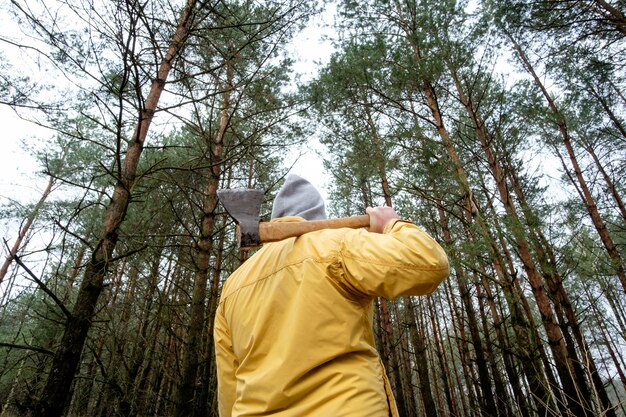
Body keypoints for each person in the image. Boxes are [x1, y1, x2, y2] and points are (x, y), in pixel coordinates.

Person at [214, 174, 450, 417]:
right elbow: (429, 262)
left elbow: (229, 388)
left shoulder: (233, 286)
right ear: (318, 215)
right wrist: (392, 224)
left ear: (277, 217)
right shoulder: (334, 245)